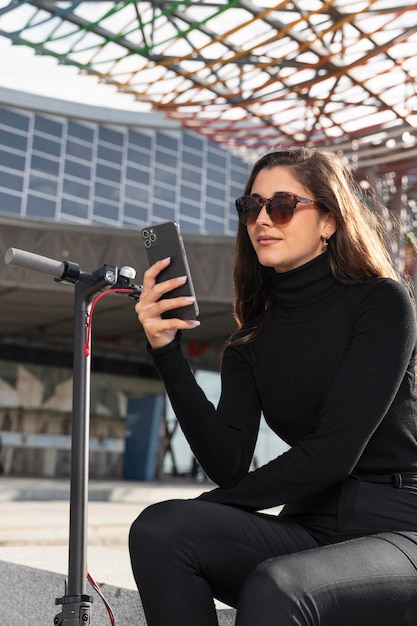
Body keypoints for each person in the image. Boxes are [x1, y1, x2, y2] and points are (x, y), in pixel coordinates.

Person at [129, 146, 417, 626]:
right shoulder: (252, 338)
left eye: (282, 205)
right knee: (159, 529)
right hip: (308, 528)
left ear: (328, 221)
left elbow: (333, 451)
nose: (263, 218)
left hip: (397, 528)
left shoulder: (382, 303)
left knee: (277, 587)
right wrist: (167, 353)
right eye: (250, 207)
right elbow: (229, 463)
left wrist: (208, 505)